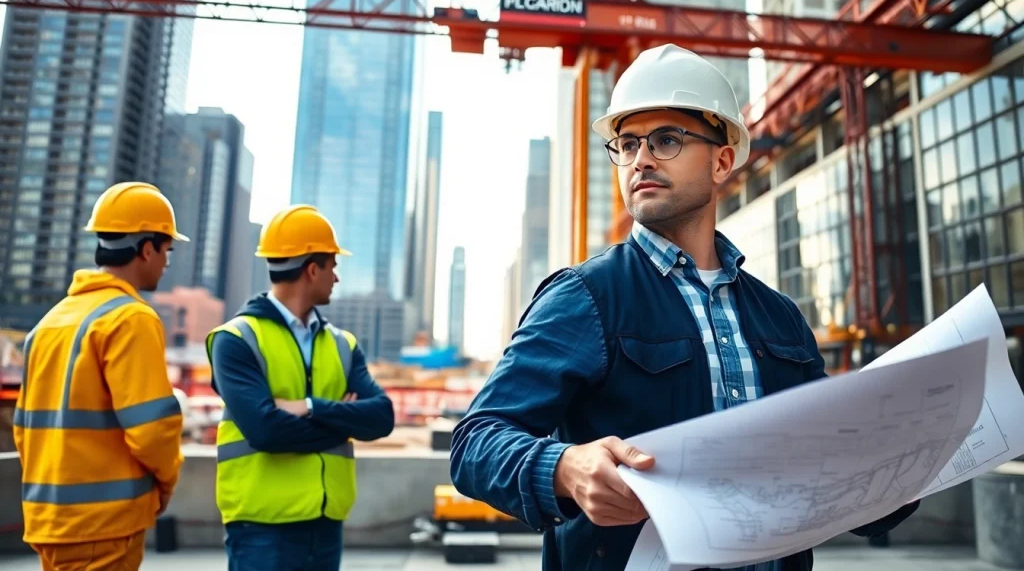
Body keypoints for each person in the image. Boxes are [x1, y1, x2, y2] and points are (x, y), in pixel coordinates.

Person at [449, 44, 920, 570]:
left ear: (722, 161)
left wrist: (901, 467)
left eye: (666, 140)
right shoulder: (585, 297)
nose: (640, 159)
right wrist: (564, 466)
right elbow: (476, 442)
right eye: (627, 145)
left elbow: (843, 484)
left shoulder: (780, 317)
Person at [206, 204, 395, 571]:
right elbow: (265, 431)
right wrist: (342, 421)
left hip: (325, 522)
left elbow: (381, 417)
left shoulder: (343, 344)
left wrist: (310, 406)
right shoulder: (236, 339)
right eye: (333, 266)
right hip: (263, 526)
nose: (336, 278)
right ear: (312, 269)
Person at [14, 181, 187, 571]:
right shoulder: (131, 318)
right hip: (104, 525)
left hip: (49, 520)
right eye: (167, 251)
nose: (165, 262)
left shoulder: (49, 323)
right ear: (147, 249)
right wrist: (165, 484)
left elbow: (24, 429)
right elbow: (153, 427)